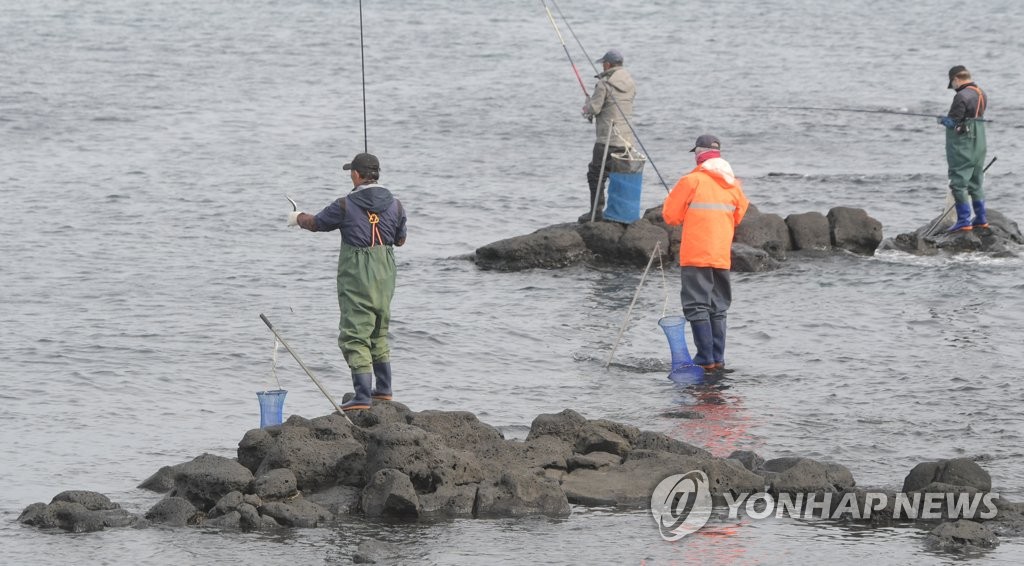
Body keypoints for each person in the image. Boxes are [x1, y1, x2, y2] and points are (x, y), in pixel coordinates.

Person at [287, 153, 407, 411]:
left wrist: (297, 218)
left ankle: (362, 395)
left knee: (355, 332)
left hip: (357, 274)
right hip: (385, 273)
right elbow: (400, 241)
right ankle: (384, 389)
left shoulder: (344, 205)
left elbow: (317, 223)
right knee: (379, 328)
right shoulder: (396, 205)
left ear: (356, 175)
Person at [662, 135, 749, 374]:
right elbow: (739, 216)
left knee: (697, 306)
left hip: (696, 254)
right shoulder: (733, 185)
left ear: (699, 155)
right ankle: (717, 359)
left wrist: (673, 197)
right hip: (721, 256)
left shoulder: (691, 181)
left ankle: (704, 358)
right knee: (718, 307)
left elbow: (671, 216)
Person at [581, 49, 635, 221]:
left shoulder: (604, 84)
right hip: (626, 140)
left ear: (608, 64)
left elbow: (594, 109)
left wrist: (587, 106)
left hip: (607, 140)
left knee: (596, 175)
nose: (603, 66)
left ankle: (596, 213)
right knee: (619, 177)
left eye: (603, 63)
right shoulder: (630, 83)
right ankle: (618, 214)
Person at [938, 65, 988, 232]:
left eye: (952, 84)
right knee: (976, 181)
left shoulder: (961, 96)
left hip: (964, 145)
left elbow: (953, 122)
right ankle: (981, 219)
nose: (953, 87)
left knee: (958, 181)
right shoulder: (981, 93)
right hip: (979, 144)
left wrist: (941, 120)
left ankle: (964, 221)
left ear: (956, 79)